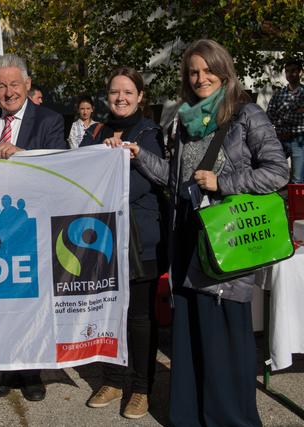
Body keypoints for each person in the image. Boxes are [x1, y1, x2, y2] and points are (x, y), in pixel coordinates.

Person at [111, 39, 288, 426]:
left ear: (224, 71)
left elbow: (278, 171)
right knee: (190, 337)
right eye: (193, 71)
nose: (200, 78)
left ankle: (229, 419)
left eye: (207, 70)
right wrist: (139, 156)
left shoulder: (247, 115)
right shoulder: (185, 120)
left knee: (224, 338)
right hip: (188, 239)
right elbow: (174, 182)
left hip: (226, 240)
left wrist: (223, 182)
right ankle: (190, 415)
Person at [0, 53, 66, 400]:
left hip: (32, 224)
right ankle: (3, 370)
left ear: (27, 84)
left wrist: (23, 153)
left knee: (31, 302)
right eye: (1, 85)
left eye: (14, 84)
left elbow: (58, 167)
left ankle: (31, 373)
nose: (8, 91)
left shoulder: (50, 120)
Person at [81, 67, 165, 419]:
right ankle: (113, 379)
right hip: (103, 238)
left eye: (128, 92)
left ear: (140, 96)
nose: (121, 98)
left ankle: (142, 388)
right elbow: (76, 171)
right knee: (107, 311)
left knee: (140, 317)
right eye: (115, 91)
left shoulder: (150, 132)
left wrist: (124, 158)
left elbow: (151, 181)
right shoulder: (95, 131)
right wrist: (102, 153)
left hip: (140, 238)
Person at [267, 59, 304, 183]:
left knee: (297, 179)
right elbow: (269, 117)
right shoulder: (278, 95)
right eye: (287, 71)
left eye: (293, 71)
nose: (290, 74)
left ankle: (296, 202)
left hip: (299, 140)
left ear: (300, 72)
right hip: (280, 139)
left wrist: (282, 116)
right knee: (273, 173)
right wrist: (296, 112)